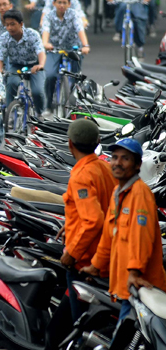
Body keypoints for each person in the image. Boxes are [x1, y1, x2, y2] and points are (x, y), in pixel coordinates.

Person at [81, 138, 166, 326]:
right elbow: (108, 237)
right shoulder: (118, 193)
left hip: (142, 288)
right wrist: (95, 265)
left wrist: (135, 272)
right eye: (114, 157)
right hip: (124, 284)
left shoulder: (140, 194)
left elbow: (142, 238)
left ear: (137, 165)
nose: (117, 163)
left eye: (125, 159)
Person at [58, 119, 118, 322]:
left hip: (86, 263)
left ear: (70, 144)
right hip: (108, 257)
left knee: (80, 326)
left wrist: (72, 254)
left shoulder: (82, 176)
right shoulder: (106, 168)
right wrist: (69, 224)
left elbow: (94, 220)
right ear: (98, 141)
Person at [41, 0, 90, 114]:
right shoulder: (49, 16)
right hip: (54, 49)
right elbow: (45, 30)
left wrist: (85, 45)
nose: (61, 5)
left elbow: (80, 29)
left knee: (76, 77)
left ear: (69, 4)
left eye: (64, 3)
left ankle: (75, 103)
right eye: (59, 2)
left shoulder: (73, 14)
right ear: (54, 3)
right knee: (50, 75)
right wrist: (45, 43)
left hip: (73, 48)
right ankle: (48, 105)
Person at [0, 9, 46, 116]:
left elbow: (41, 52)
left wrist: (40, 65)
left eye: (12, 24)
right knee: (11, 83)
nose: (9, 28)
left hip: (34, 65)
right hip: (16, 65)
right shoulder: (4, 37)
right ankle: (9, 114)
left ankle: (40, 113)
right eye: (7, 25)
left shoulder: (33, 34)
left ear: (21, 24)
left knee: (37, 91)